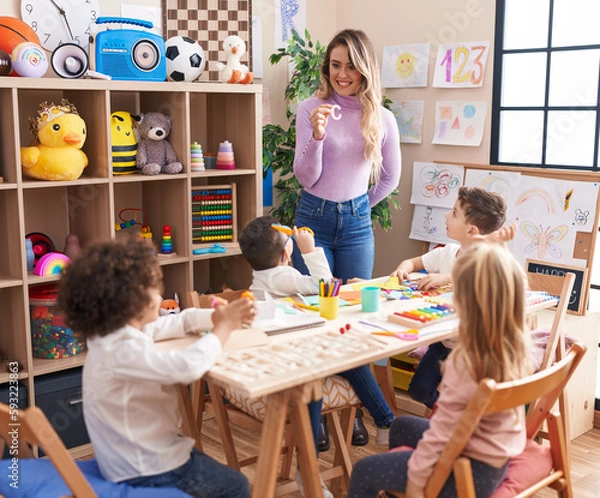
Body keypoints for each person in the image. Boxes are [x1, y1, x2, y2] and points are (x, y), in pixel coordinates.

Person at [57, 237, 257, 498]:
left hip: (127, 458)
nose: (161, 296)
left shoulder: (109, 335)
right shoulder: (122, 350)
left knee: (196, 455)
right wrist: (224, 327)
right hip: (145, 468)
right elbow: (187, 366)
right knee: (236, 485)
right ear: (131, 301)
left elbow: (172, 324)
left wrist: (215, 316)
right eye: (154, 289)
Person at [348, 242, 532, 498]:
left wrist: (416, 483)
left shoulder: (464, 362)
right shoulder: (515, 347)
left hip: (466, 471)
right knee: (400, 426)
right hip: (495, 459)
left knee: (363, 471)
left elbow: (441, 436)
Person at [239, 216, 396, 497]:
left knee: (346, 363)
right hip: (291, 364)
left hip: (289, 354)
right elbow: (327, 284)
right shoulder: (281, 276)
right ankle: (311, 467)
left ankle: (384, 423)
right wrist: (310, 250)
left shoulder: (264, 277)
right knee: (319, 384)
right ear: (286, 253)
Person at [292, 28, 401, 283]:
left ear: (364, 69)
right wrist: (318, 136)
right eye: (335, 65)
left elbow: (390, 179)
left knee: (355, 304)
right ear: (326, 67)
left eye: (351, 66)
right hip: (312, 221)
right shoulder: (310, 108)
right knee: (314, 303)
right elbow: (306, 178)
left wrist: (357, 209)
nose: (342, 74)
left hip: (357, 227)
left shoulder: (383, 118)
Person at [391, 186, 507, 409]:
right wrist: (402, 269)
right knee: (418, 390)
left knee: (467, 394)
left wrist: (445, 277)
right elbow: (413, 262)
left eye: (454, 213)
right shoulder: (446, 252)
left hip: (475, 350)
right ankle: (452, 413)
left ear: (471, 231)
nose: (446, 215)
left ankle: (462, 417)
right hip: (443, 344)